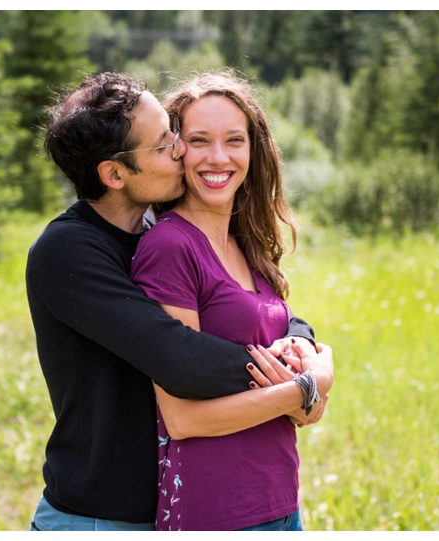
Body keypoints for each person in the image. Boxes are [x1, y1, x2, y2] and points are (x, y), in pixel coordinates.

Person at [26, 72, 334, 531]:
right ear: (113, 174)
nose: (179, 150)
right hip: (96, 518)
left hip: (166, 509)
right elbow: (180, 357)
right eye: (164, 142)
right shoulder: (68, 252)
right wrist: (300, 381)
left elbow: (250, 313)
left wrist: (299, 338)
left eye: (173, 133)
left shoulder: (151, 231)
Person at [130, 71, 331, 531]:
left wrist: (311, 375)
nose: (217, 157)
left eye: (234, 140)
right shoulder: (171, 247)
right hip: (214, 509)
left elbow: (291, 384)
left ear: (252, 149)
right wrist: (306, 388)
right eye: (199, 140)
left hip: (279, 502)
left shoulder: (248, 244)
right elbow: (181, 417)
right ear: (175, 148)